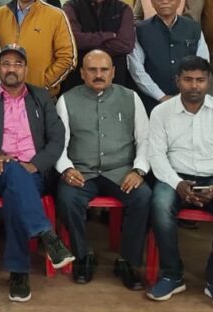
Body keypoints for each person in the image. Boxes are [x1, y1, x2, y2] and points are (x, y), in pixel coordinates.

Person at [0, 44, 74, 303]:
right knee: (13, 173)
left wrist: (37, 164)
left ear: (26, 70)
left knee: (15, 193)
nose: (12, 69)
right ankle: (47, 235)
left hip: (34, 172)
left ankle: (19, 272)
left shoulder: (41, 97)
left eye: (18, 64)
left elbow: (57, 138)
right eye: (6, 63)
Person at [55, 50, 150, 288]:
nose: (99, 75)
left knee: (143, 197)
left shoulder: (131, 98)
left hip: (121, 172)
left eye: (104, 70)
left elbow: (145, 140)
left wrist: (138, 170)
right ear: (82, 73)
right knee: (67, 198)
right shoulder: (66, 100)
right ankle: (83, 256)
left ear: (113, 72)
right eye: (92, 70)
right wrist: (66, 169)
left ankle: (128, 261)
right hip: (82, 173)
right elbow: (58, 144)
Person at [147, 55, 213, 301]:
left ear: (208, 81)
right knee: (160, 204)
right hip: (173, 176)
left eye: (200, 80)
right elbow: (156, 154)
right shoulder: (161, 112)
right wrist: (177, 183)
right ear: (177, 81)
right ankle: (172, 275)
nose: (194, 85)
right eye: (188, 79)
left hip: (211, 177)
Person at [0, 0, 76, 98]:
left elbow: (68, 58)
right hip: (4, 96)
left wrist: (44, 84)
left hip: (40, 98)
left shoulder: (56, 16)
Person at [127, 0, 209, 112]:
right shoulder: (140, 30)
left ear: (178, 0)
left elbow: (203, 65)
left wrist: (186, 95)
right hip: (151, 103)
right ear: (152, 1)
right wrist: (161, 97)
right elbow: (136, 70)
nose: (165, 1)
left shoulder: (193, 28)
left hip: (188, 102)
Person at [62, 0, 135, 89]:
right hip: (77, 80)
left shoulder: (124, 9)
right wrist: (107, 36)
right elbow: (73, 41)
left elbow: (125, 45)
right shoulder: (70, 7)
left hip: (115, 81)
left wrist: (87, 43)